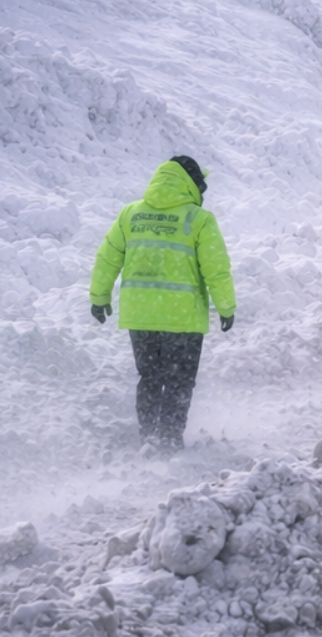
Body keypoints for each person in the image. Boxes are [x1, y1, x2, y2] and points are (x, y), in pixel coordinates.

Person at [89, 156, 235, 449]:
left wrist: (99, 296)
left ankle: (148, 436)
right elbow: (215, 268)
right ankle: (169, 438)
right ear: (191, 184)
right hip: (182, 319)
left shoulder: (131, 214)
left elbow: (107, 258)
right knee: (180, 381)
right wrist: (226, 306)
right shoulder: (198, 219)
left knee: (150, 378)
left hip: (140, 316)